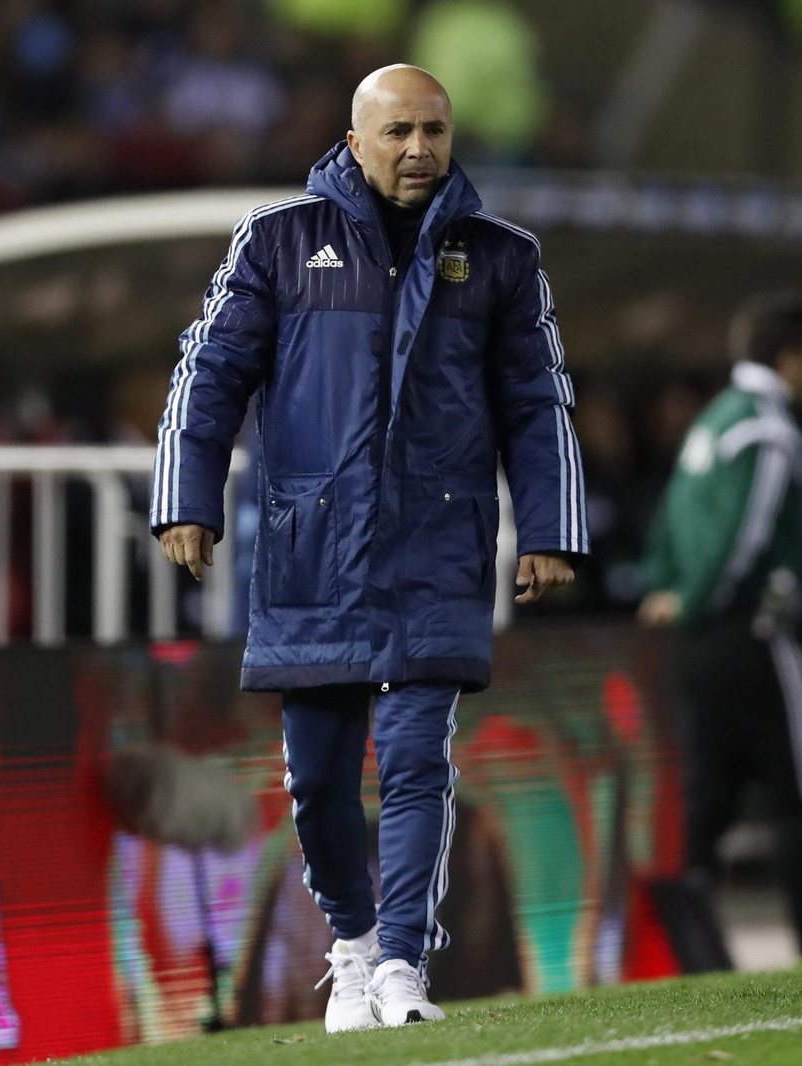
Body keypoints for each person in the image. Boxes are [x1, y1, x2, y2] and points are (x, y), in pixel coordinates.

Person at [148, 65, 586, 1030]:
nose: (420, 149)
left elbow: (537, 399)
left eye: (435, 130)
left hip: (437, 550)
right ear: (355, 143)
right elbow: (207, 374)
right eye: (398, 132)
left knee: (418, 760)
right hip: (314, 553)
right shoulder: (276, 240)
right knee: (316, 782)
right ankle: (351, 944)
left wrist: (551, 527)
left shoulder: (501, 257)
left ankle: (400, 965)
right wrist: (186, 498)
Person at [638, 292, 802, 967]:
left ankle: (686, 953)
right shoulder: (767, 428)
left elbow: (669, 518)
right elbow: (743, 536)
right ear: (790, 356)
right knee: (801, 793)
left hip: (696, 642)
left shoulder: (712, 420)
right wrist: (696, 598)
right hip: (751, 634)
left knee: (706, 803)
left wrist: (665, 589)